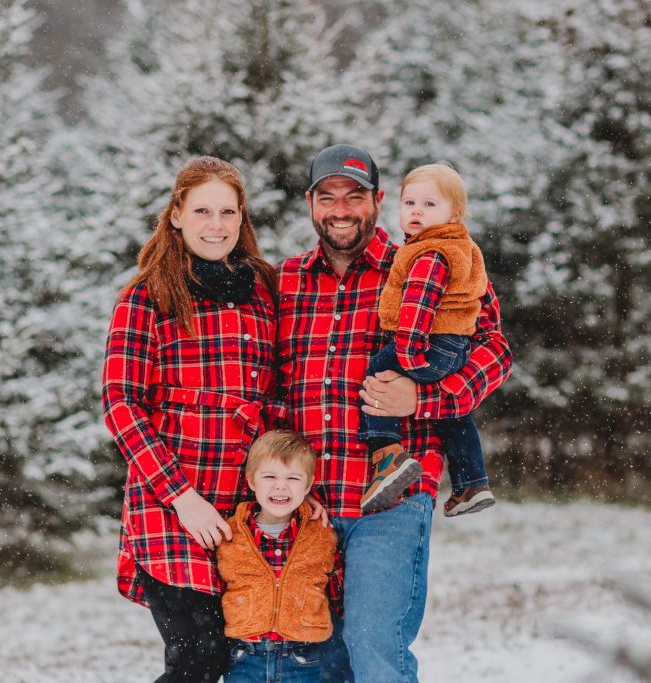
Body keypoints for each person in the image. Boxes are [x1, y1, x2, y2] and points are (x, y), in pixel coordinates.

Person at [275, 144, 512, 683]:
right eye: (327, 196)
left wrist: (425, 400)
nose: (340, 209)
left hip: (391, 500)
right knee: (319, 660)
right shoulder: (284, 282)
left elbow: (495, 350)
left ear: (378, 202)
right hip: (305, 506)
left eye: (354, 196)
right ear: (310, 204)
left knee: (375, 650)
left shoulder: (427, 261)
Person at [102, 156, 282, 683]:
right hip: (171, 500)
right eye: (202, 209)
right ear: (176, 214)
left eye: (228, 211)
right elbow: (122, 405)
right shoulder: (146, 297)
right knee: (198, 658)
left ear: (242, 218)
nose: (216, 224)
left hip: (238, 503)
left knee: (230, 657)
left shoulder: (262, 294)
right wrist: (182, 497)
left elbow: (274, 398)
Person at [358, 163, 495, 517]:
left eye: (429, 205)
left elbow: (418, 308)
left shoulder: (429, 254)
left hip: (428, 344)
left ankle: (387, 455)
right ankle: (472, 482)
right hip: (454, 345)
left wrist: (410, 356)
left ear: (455, 212)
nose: (416, 211)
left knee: (378, 370)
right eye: (410, 203)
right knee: (453, 415)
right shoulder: (462, 248)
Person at [217, 430, 338, 683]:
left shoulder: (321, 534)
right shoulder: (231, 532)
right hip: (244, 655)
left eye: (293, 478)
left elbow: (336, 586)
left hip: (302, 656)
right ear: (251, 480)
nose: (280, 485)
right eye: (269, 476)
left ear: (307, 485)